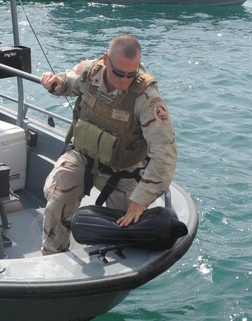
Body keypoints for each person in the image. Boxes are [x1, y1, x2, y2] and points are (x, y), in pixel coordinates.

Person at [38, 34, 177, 254]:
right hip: (83, 155)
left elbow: (164, 154)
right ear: (106, 60)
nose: (124, 80)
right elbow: (68, 81)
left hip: (124, 170)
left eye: (131, 74)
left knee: (128, 227)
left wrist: (139, 202)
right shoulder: (90, 72)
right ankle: (52, 253)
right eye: (119, 73)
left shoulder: (147, 99)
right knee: (58, 196)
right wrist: (55, 82)